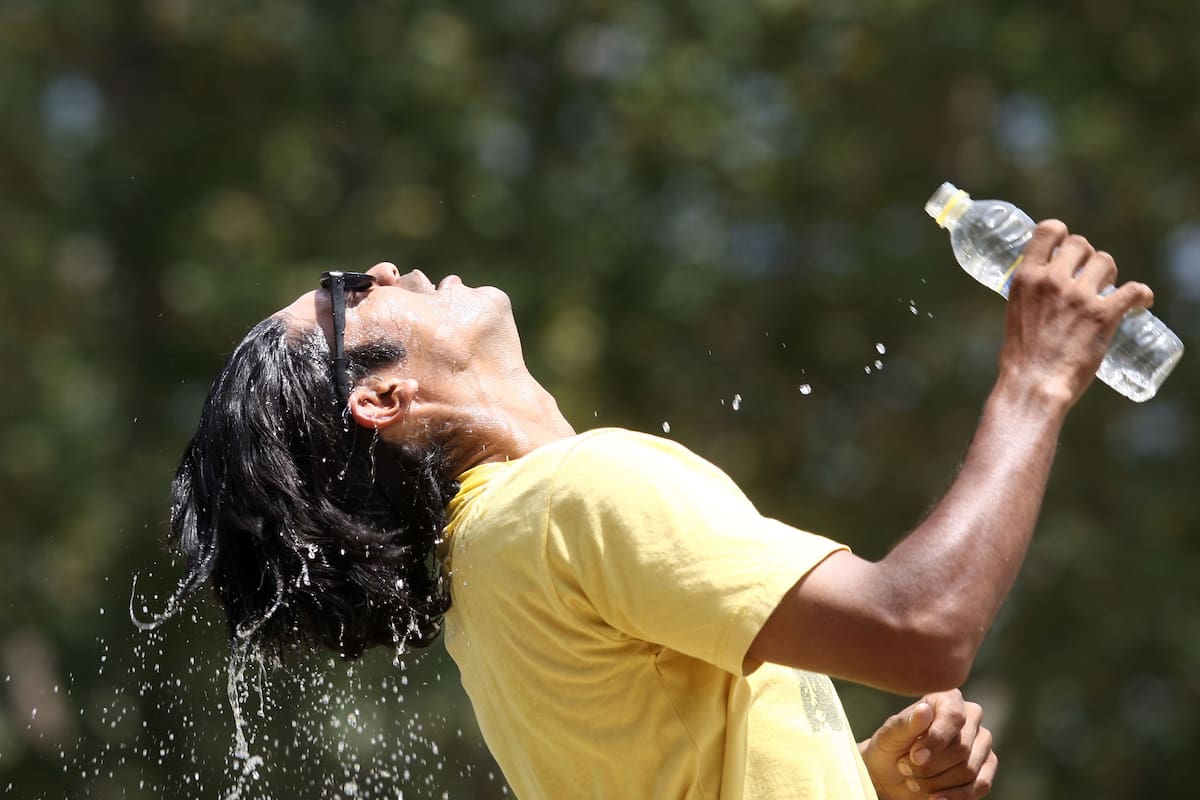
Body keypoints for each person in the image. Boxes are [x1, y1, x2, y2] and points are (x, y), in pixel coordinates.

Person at [159, 219, 1152, 799]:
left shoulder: (489, 589)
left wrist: (863, 783)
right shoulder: (573, 495)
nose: (376, 268)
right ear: (379, 398)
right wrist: (1038, 376)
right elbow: (922, 624)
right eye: (346, 296)